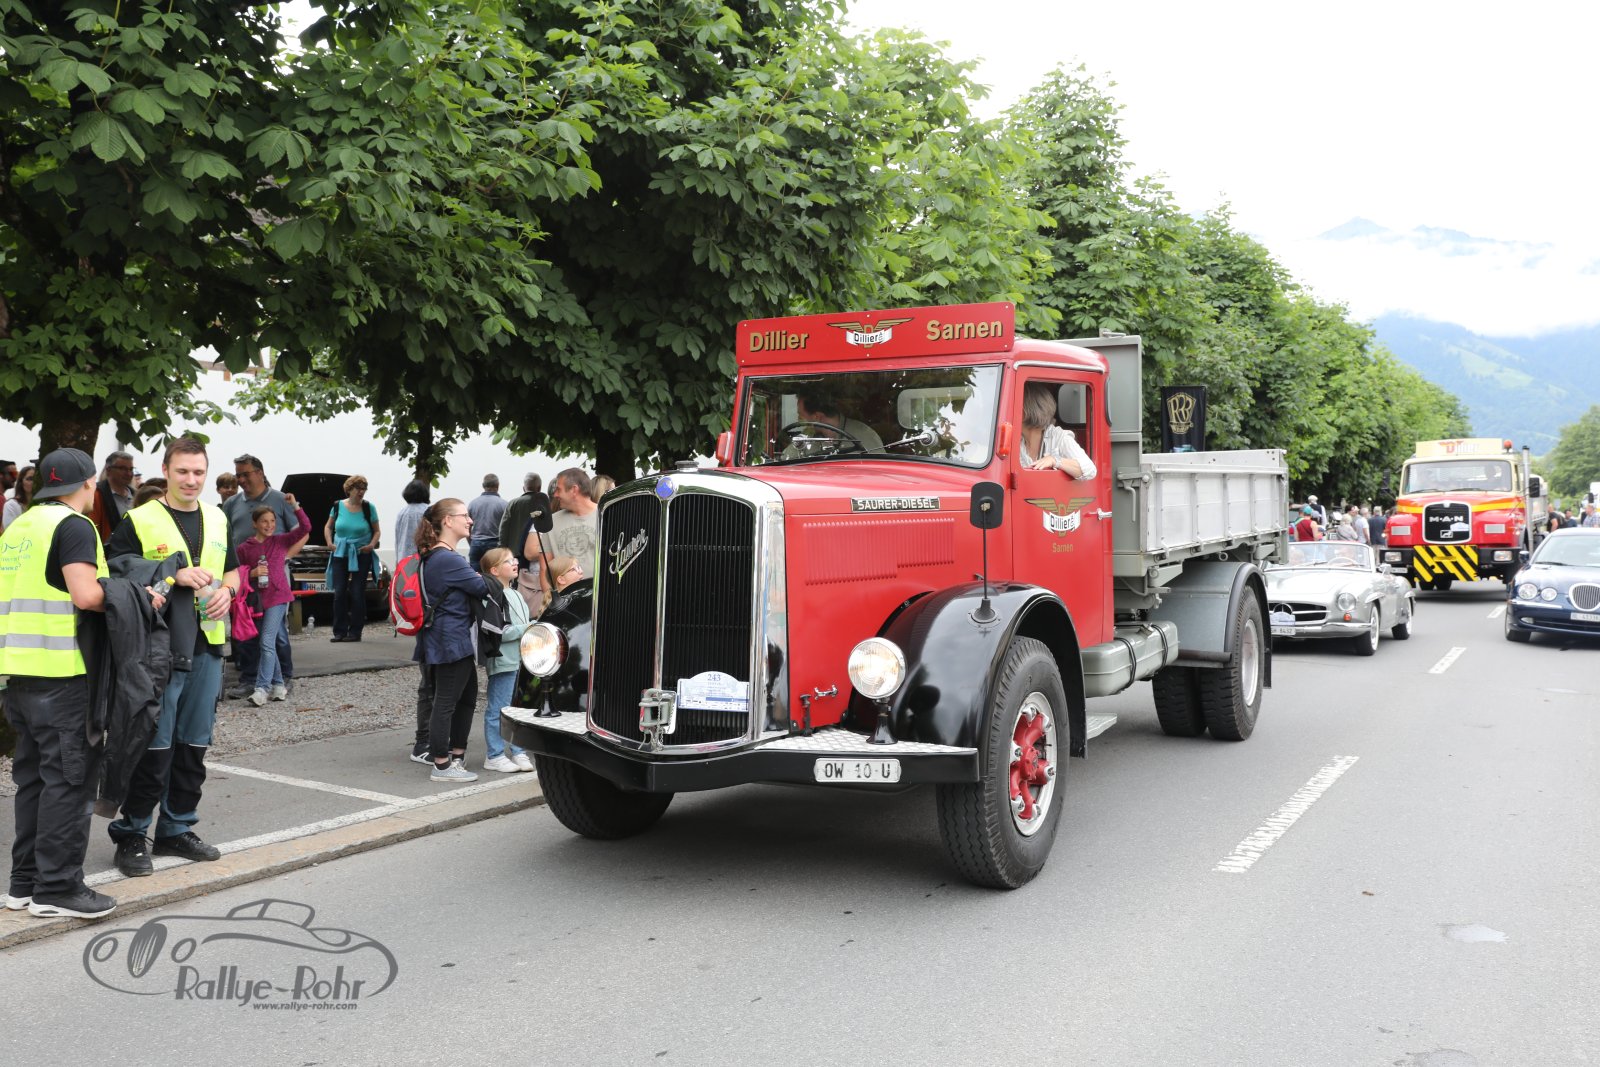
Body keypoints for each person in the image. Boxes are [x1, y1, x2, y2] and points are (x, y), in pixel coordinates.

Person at [1, 448, 140, 919]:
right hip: (64, 675)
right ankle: (58, 888)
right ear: (87, 484)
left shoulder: (20, 526)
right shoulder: (74, 525)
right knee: (68, 782)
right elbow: (85, 594)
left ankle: (24, 885)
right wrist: (134, 594)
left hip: (19, 674)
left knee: (35, 782)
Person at [106, 437, 241, 877]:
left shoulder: (217, 517)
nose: (191, 480)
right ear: (165, 470)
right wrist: (172, 573)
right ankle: (131, 833)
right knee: (153, 744)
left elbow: (234, 571)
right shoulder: (140, 518)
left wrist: (228, 591)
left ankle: (176, 829)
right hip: (158, 649)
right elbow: (113, 570)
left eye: (199, 472)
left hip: (207, 646)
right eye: (182, 471)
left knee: (192, 745)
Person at [410, 499, 498, 782]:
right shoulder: (447, 559)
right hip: (449, 640)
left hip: (450, 638)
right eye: (465, 515)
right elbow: (483, 587)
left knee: (467, 697)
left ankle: (456, 757)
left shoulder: (438, 556)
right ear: (448, 521)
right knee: (446, 702)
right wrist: (479, 576)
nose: (470, 520)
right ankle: (442, 765)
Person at [223, 454, 304, 699]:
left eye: (245, 474)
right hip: (245, 580)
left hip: (273, 581)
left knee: (275, 633)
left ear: (259, 473)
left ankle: (283, 678)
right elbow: (226, 537)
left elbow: (302, 533)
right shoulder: (231, 503)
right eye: (238, 475)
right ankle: (250, 679)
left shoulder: (279, 499)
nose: (241, 479)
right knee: (246, 629)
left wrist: (283, 558)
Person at [234, 497, 310, 706]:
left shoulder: (280, 541)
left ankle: (262, 689)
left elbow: (305, 527)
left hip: (278, 597)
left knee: (267, 642)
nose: (269, 525)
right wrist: (251, 573)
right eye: (264, 521)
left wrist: (295, 505)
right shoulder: (244, 548)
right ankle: (278, 685)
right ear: (255, 524)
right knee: (267, 643)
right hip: (257, 601)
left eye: (272, 521)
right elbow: (236, 573)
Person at [478, 548, 533, 773]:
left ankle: (518, 751)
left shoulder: (516, 593)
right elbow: (498, 631)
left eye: (514, 559)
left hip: (521, 661)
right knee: (499, 709)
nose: (515, 562)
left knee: (518, 709)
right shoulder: (492, 596)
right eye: (508, 561)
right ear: (494, 570)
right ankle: (495, 754)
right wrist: (528, 628)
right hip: (504, 661)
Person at [323, 475, 380, 643]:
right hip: (340, 553)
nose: (361, 492)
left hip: (362, 553)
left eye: (364, 489)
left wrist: (371, 545)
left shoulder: (369, 508)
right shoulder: (338, 506)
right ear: (349, 489)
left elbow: (377, 531)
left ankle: (355, 631)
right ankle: (339, 631)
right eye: (358, 488)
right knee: (339, 592)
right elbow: (328, 526)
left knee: (356, 592)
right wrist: (329, 542)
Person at [541, 468, 599, 602]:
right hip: (565, 604)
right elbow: (545, 569)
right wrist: (553, 604)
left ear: (574, 490)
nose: (555, 494)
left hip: (600, 601)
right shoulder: (551, 522)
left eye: (558, 489)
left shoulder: (606, 516)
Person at [1019, 382, 1097, 479]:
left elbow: (1090, 470)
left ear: (1026, 411)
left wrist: (1055, 460)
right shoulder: (1017, 440)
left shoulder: (1059, 437)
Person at [500, 473, 549, 615]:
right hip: (534, 556)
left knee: (516, 585)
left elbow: (504, 528)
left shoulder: (513, 503)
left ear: (523, 488)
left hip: (514, 551)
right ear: (539, 488)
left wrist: (503, 551)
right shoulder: (543, 505)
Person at [791, 388, 883, 453]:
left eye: (801, 415)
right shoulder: (808, 437)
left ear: (817, 417)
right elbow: (788, 457)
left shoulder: (864, 436)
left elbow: (878, 470)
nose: (799, 419)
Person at [88, 450, 137, 542]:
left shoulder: (136, 495)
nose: (129, 473)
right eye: (123, 469)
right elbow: (93, 529)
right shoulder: (96, 495)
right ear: (109, 470)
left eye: (131, 469)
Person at [466, 474, 507, 571]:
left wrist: (472, 542)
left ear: (483, 486)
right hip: (495, 544)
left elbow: (467, 527)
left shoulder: (473, 504)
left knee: (475, 575)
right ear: (498, 486)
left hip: (476, 544)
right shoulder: (504, 505)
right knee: (493, 575)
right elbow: (508, 529)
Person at [392, 479, 431, 567]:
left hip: (404, 558)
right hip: (423, 559)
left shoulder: (402, 512)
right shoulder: (428, 510)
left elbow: (398, 538)